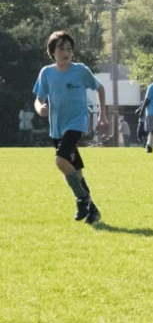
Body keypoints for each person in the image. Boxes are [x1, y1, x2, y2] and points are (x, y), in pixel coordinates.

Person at [33, 30, 106, 225]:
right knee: (75, 172)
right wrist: (41, 108)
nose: (66, 52)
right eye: (61, 48)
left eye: (69, 49)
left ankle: (82, 200)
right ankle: (93, 210)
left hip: (76, 124)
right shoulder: (46, 73)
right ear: (52, 52)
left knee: (60, 160)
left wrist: (102, 114)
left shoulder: (81, 70)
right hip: (57, 128)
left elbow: (100, 88)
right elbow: (38, 99)